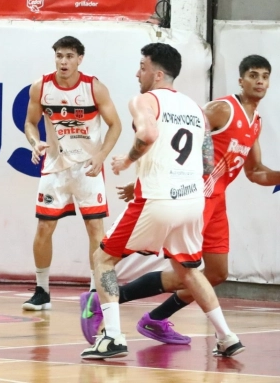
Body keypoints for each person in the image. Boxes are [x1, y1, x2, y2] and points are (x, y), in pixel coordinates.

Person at [81, 55, 277, 347]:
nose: (259, 81)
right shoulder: (221, 109)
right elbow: (174, 137)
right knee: (186, 271)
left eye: (265, 76)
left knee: (216, 273)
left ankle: (150, 317)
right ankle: (110, 301)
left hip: (216, 200)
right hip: (192, 193)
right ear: (241, 80)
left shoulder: (255, 122)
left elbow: (256, 172)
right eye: (253, 75)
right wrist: (145, 178)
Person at [22, 36, 122, 311]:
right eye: (59, 56)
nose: (63, 61)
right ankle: (42, 291)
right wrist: (34, 142)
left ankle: (95, 291)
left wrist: (101, 156)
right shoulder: (41, 87)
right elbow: (30, 122)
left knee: (95, 228)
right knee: (44, 227)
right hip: (55, 167)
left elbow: (115, 125)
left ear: (80, 59)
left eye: (69, 56)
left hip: (87, 168)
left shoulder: (94, 88)